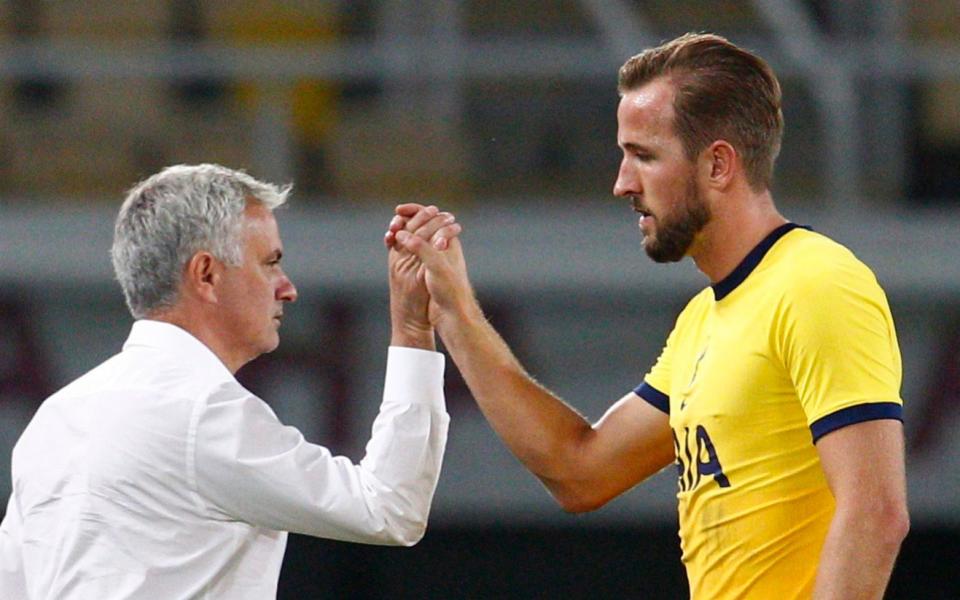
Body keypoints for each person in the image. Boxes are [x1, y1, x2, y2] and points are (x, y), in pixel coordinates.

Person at [387, 33, 909, 599]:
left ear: (717, 165)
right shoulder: (705, 318)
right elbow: (580, 470)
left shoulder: (816, 284)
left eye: (644, 155)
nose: (622, 183)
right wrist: (455, 312)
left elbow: (876, 512)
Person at [0, 164, 460, 598]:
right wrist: (414, 330)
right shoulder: (201, 411)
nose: (287, 287)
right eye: (270, 262)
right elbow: (389, 509)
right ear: (206, 274)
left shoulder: (55, 418)